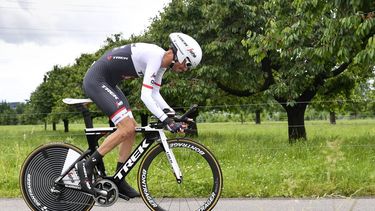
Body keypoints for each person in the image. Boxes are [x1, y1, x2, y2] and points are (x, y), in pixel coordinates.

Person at [76, 32, 202, 198]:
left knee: (132, 129)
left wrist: (173, 115)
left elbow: (155, 93)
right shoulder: (156, 56)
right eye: (187, 64)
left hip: (109, 83)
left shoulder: (161, 65)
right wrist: (166, 121)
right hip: (97, 80)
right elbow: (145, 96)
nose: (185, 69)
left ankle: (119, 180)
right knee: (126, 127)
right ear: (179, 53)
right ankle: (87, 165)